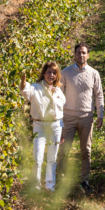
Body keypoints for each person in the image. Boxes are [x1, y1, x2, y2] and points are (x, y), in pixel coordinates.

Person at [58, 43, 104, 193]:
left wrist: (100, 114)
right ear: (74, 55)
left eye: (84, 53)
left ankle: (84, 181)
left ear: (88, 55)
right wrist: (58, 117)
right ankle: (61, 180)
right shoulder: (65, 72)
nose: (81, 55)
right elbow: (58, 95)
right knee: (64, 149)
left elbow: (98, 95)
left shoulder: (94, 73)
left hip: (86, 117)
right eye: (78, 52)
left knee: (86, 150)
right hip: (68, 117)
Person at [20, 62, 66, 191]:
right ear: (44, 73)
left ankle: (50, 185)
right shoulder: (36, 88)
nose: (51, 75)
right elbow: (25, 91)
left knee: (52, 157)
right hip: (39, 125)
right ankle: (36, 186)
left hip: (56, 126)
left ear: (57, 75)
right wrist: (23, 80)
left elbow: (60, 111)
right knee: (38, 157)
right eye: (49, 72)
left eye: (54, 73)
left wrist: (62, 129)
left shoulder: (58, 90)